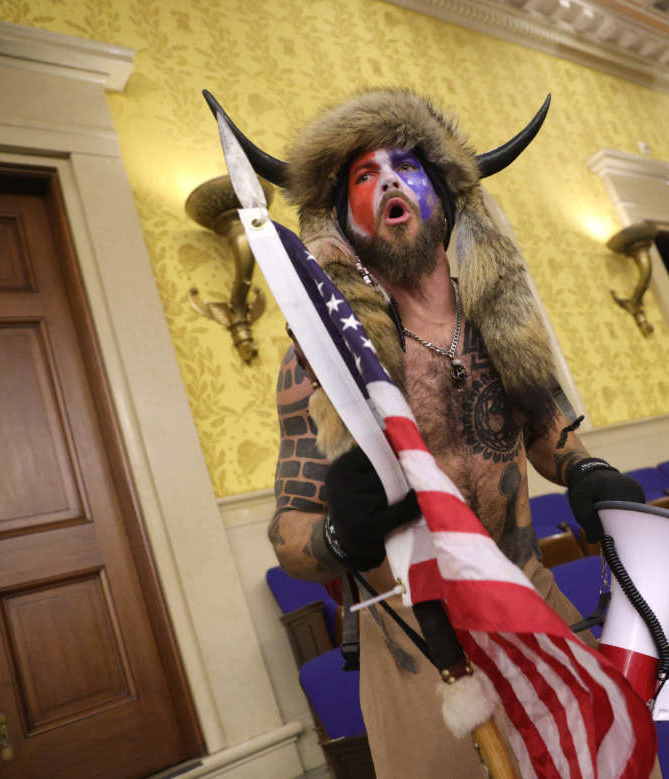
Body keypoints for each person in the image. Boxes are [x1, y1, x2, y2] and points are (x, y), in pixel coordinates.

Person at [249, 89, 646, 778]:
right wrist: (341, 537)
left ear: (445, 194)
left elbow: (553, 436)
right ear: (344, 218)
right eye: (363, 177)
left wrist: (586, 471)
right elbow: (288, 535)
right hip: (417, 653)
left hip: (532, 605)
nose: (389, 182)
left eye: (406, 166)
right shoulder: (318, 361)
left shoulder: (501, 326)